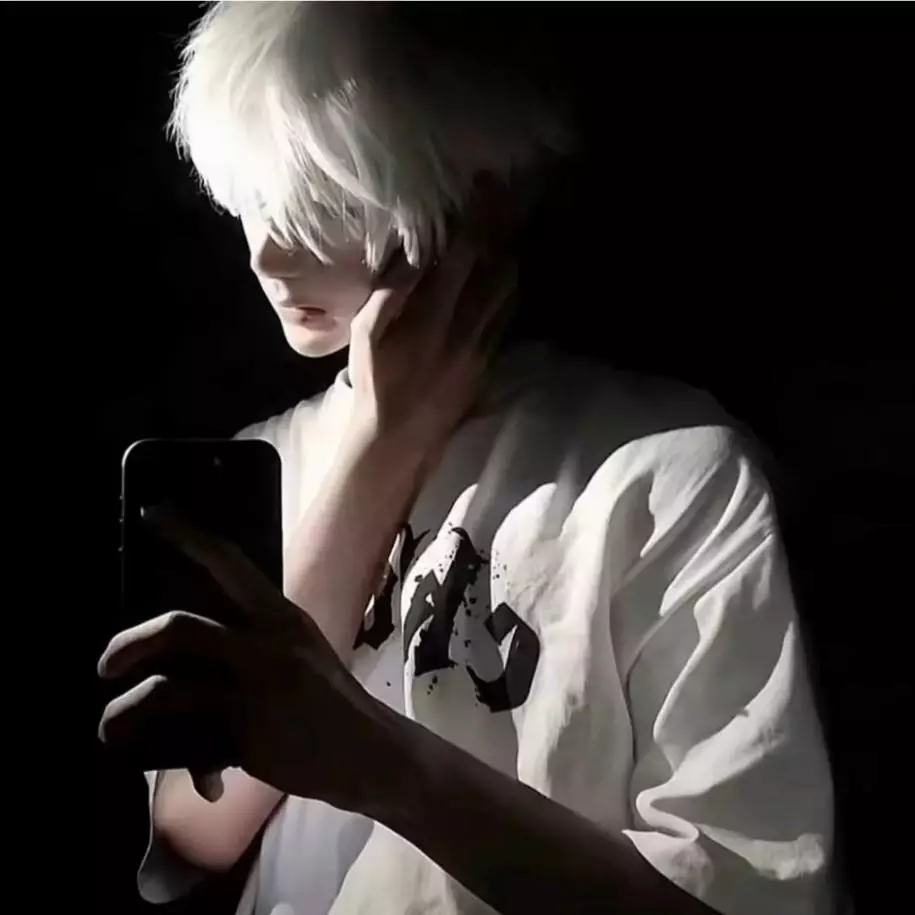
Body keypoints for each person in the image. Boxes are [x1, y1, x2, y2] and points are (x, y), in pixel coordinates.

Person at [98, 3, 840, 914]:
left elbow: (748, 895)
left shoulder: (667, 476)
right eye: (251, 199)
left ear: (486, 190)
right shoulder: (265, 462)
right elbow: (190, 835)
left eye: (325, 202)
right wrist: (380, 443)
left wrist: (380, 764)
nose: (268, 255)